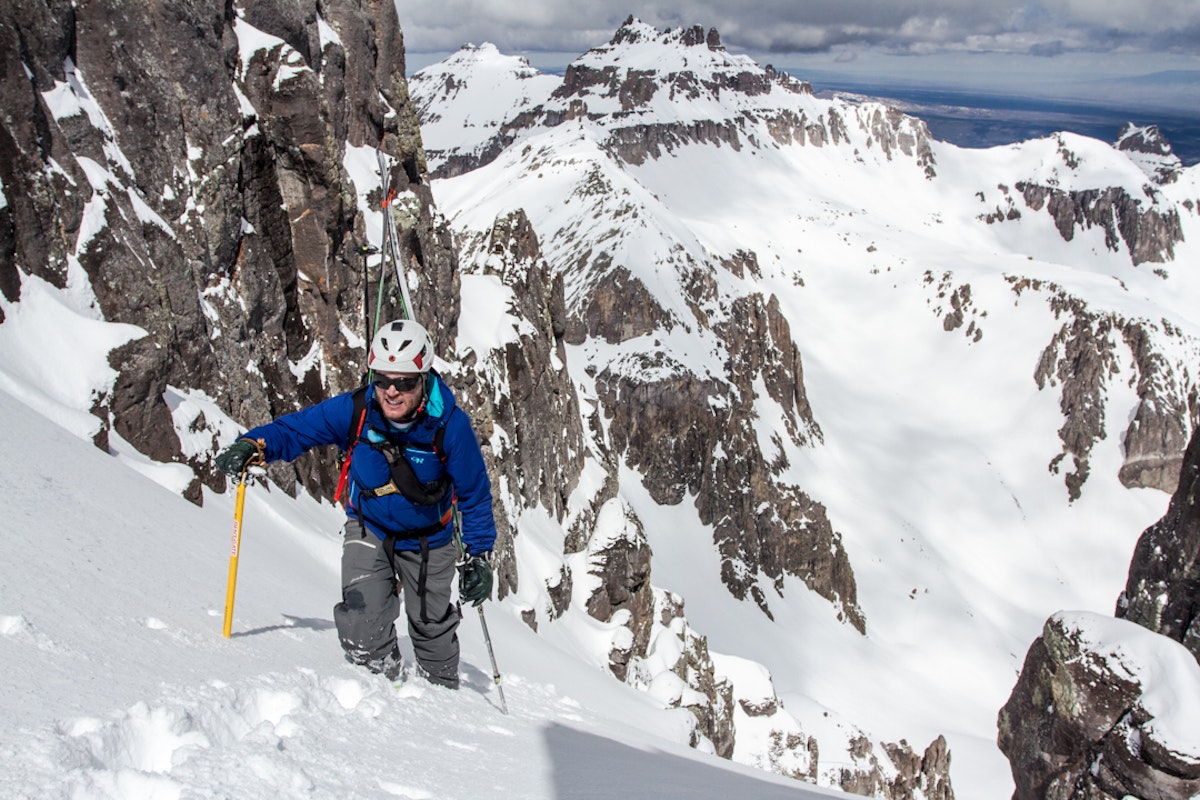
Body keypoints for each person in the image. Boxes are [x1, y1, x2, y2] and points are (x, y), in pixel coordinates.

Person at [215, 319, 496, 688]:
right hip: (370, 525)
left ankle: (439, 695)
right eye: (382, 380)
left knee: (431, 625)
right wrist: (256, 445)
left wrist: (479, 556)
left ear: (424, 379)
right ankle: (378, 687)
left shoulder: (449, 427)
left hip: (429, 536)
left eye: (405, 382)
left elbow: (474, 495)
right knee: (361, 619)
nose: (392, 392)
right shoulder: (357, 410)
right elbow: (297, 429)